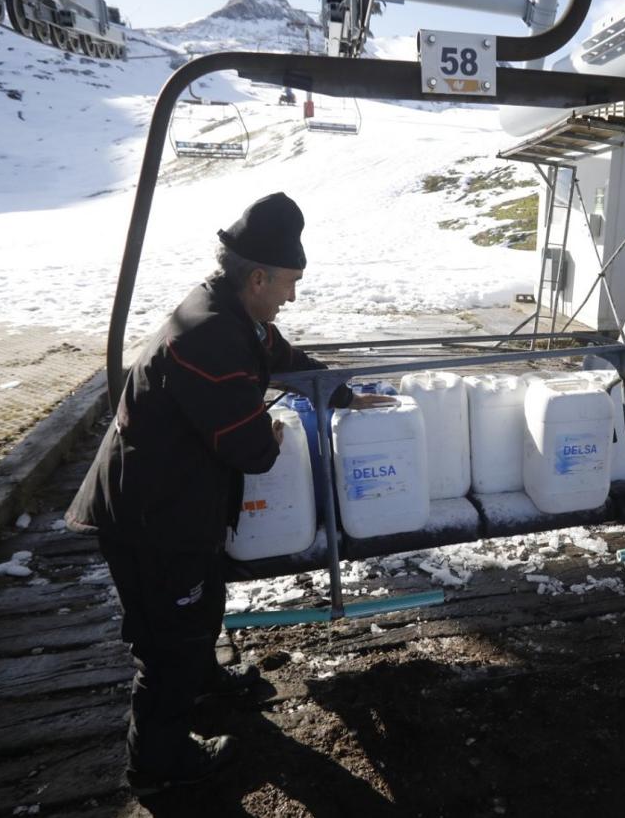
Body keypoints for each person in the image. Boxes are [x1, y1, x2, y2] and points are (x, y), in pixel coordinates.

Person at [66, 192, 388, 796]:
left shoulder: (234, 313)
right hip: (152, 517)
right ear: (259, 277)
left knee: (203, 601)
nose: (292, 295)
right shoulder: (211, 336)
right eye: (290, 282)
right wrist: (271, 430)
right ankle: (157, 762)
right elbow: (250, 450)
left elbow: (281, 356)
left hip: (183, 505)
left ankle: (205, 679)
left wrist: (336, 393)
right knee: (167, 642)